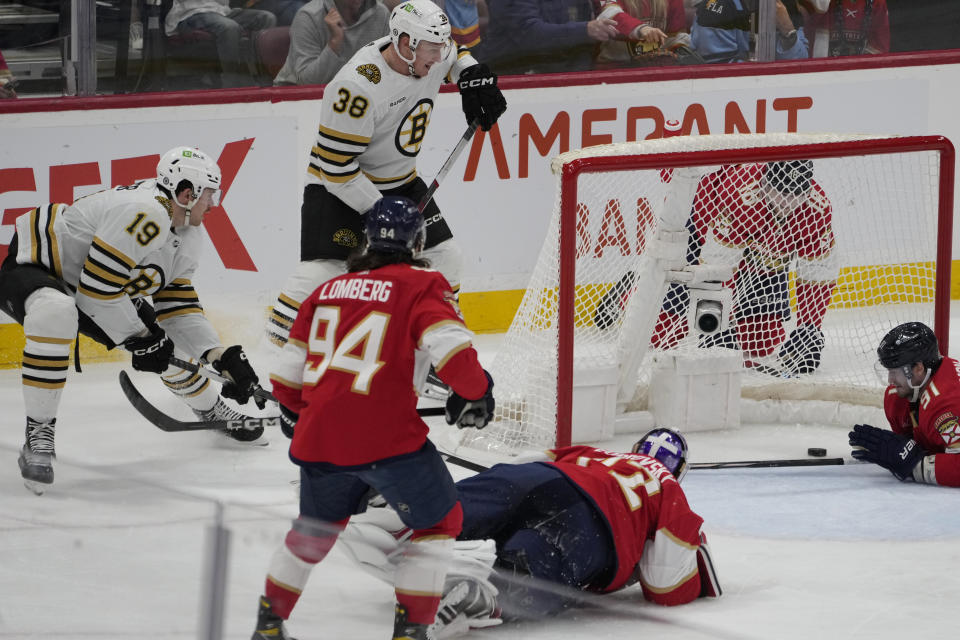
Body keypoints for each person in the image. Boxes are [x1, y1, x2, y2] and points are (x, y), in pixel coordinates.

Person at [251, 196, 497, 640]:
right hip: (389, 443)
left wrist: (305, 414)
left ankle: (268, 626)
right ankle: (411, 632)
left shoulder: (324, 292)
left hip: (320, 440)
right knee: (439, 523)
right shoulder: (422, 286)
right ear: (418, 242)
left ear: (367, 241)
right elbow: (457, 358)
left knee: (315, 530)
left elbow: (286, 381)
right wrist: (478, 391)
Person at [265, 0, 506, 396]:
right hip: (339, 186)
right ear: (406, 43)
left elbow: (456, 55)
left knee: (446, 259)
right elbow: (336, 165)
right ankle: (272, 366)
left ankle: (425, 362)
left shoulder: (431, 50)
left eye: (441, 44)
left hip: (400, 180)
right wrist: (380, 212)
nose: (440, 53)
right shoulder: (356, 86)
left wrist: (472, 76)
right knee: (326, 272)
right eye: (432, 46)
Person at [0, 147, 268, 495]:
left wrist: (218, 355)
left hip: (92, 283)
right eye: (209, 194)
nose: (213, 204)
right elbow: (98, 291)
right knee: (56, 312)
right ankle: (39, 434)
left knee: (159, 342)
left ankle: (210, 407)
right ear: (186, 194)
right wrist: (144, 338)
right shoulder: (146, 213)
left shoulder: (187, 234)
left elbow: (177, 307)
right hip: (37, 266)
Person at [341, 427, 721, 636]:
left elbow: (528, 460)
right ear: (680, 470)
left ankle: (396, 515)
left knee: (468, 507)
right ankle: (480, 592)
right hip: (592, 520)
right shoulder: (668, 489)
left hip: (541, 476)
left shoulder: (596, 452)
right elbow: (666, 584)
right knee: (529, 566)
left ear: (635, 447)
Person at [646, 159, 837, 377]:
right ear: (765, 183)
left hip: (763, 261)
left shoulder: (817, 210)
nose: (786, 201)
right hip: (703, 238)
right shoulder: (740, 195)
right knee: (660, 336)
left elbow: (818, 273)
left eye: (796, 195)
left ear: (807, 191)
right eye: (780, 191)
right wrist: (721, 319)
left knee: (761, 345)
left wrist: (808, 328)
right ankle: (624, 295)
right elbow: (717, 265)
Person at [849, 322, 960, 487]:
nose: (890, 380)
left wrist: (915, 465)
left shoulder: (945, 405)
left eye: (894, 371)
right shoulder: (902, 395)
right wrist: (904, 450)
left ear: (918, 368)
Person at [470, 0, 620, 74]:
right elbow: (527, 34)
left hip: (571, 78)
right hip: (512, 78)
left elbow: (591, 32)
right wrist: (585, 30)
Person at [273, 0, 390, 86]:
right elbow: (307, 82)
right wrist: (334, 43)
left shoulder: (382, 14)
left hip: (354, 93)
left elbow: (389, 72)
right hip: (294, 98)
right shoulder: (309, 16)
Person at [164, 0, 277, 87]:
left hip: (223, 11)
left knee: (267, 18)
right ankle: (232, 80)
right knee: (229, 27)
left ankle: (261, 73)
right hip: (195, 11)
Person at [593, 0, 704, 67]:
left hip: (659, 70)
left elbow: (676, 35)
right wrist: (640, 29)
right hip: (615, 68)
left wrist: (680, 51)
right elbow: (609, 13)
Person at [690, 0, 809, 63]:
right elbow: (717, 72)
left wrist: (787, 29)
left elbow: (800, 65)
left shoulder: (786, 5)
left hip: (772, 93)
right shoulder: (715, 7)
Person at [805, 0, 889, 58]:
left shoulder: (877, 2)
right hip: (826, 74)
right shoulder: (824, 4)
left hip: (862, 74)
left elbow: (880, 50)